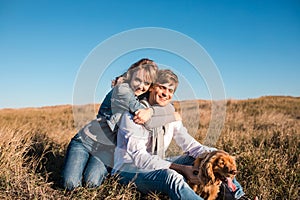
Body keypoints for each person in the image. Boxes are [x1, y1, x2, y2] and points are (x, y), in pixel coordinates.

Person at [112, 69, 247, 200]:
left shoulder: (169, 115)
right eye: (162, 87)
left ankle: (238, 197)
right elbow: (140, 159)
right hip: (129, 169)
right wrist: (182, 169)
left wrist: (211, 155)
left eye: (170, 90)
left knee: (212, 153)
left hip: (159, 160)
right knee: (172, 177)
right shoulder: (133, 115)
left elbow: (189, 144)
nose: (166, 93)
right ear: (152, 87)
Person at [61, 59, 179, 190]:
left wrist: (167, 110)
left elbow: (165, 105)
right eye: (138, 80)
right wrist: (171, 115)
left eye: (146, 83)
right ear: (130, 75)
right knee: (70, 184)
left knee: (92, 183)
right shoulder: (122, 90)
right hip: (84, 142)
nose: (141, 86)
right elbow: (146, 117)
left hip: (106, 150)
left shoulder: (141, 97)